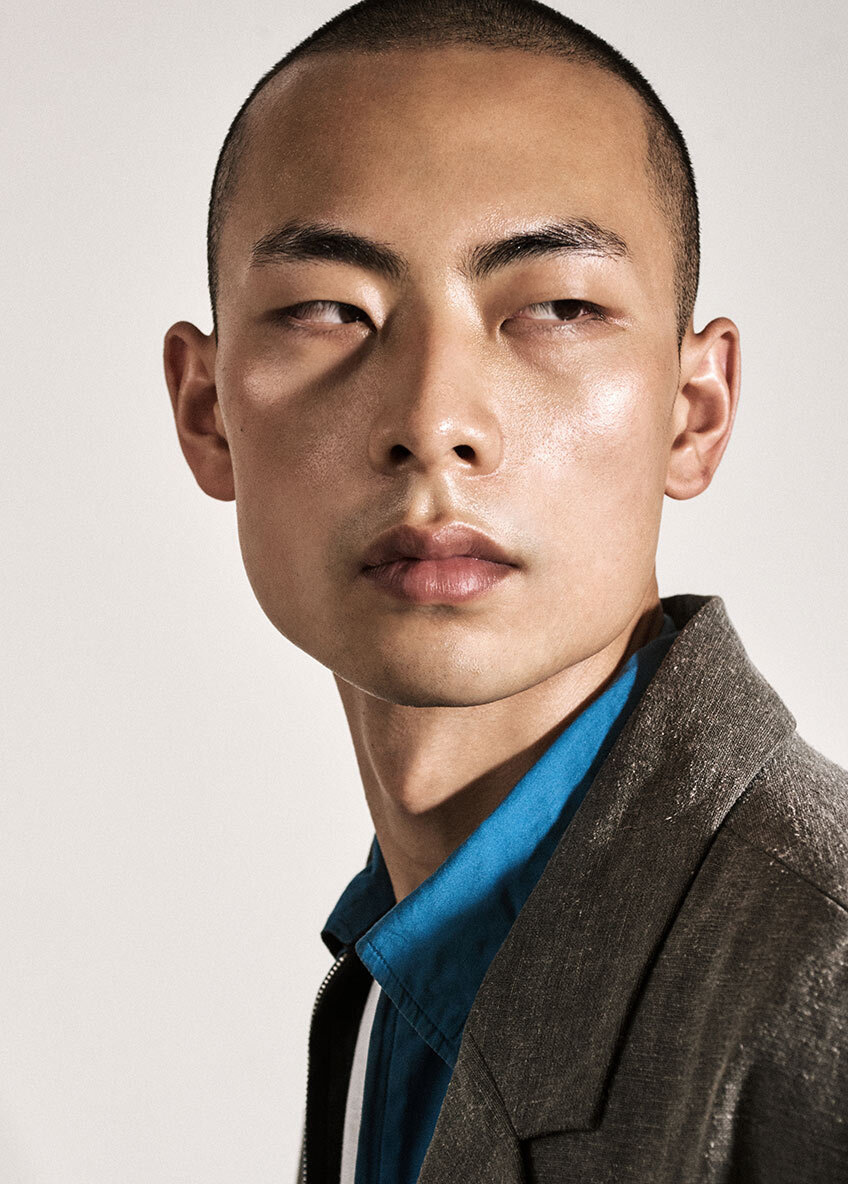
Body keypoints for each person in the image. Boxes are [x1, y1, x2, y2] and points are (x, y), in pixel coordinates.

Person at [163, 1, 848, 1180]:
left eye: (557, 309)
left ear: (693, 412)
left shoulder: (818, 984)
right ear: (206, 410)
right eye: (330, 308)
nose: (433, 420)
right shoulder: (398, 965)